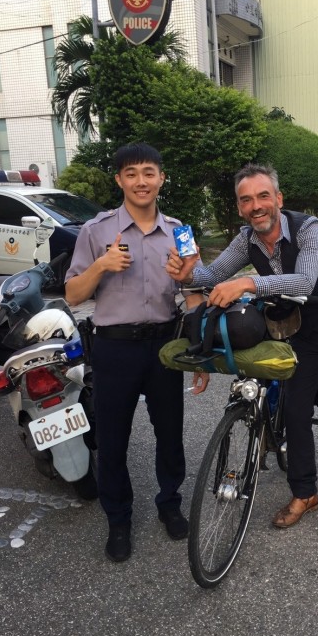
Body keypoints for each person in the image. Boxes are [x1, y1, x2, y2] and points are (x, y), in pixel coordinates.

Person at [166, 163, 318, 528]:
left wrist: (248, 285)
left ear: (278, 198)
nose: (255, 206)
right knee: (295, 410)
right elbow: (212, 276)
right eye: (246, 200)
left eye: (262, 196)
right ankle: (304, 492)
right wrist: (189, 273)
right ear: (240, 207)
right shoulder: (247, 239)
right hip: (302, 332)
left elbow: (305, 280)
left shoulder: (308, 228)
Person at [65, 143, 209, 563]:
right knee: (112, 439)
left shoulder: (180, 231)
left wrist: (199, 348)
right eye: (131, 173)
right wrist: (100, 266)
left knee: (169, 432)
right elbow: (73, 295)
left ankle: (169, 503)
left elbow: (194, 293)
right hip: (114, 348)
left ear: (161, 178)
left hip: (165, 346)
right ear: (119, 181)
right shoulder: (97, 231)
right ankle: (119, 519)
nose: (141, 181)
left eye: (149, 172)